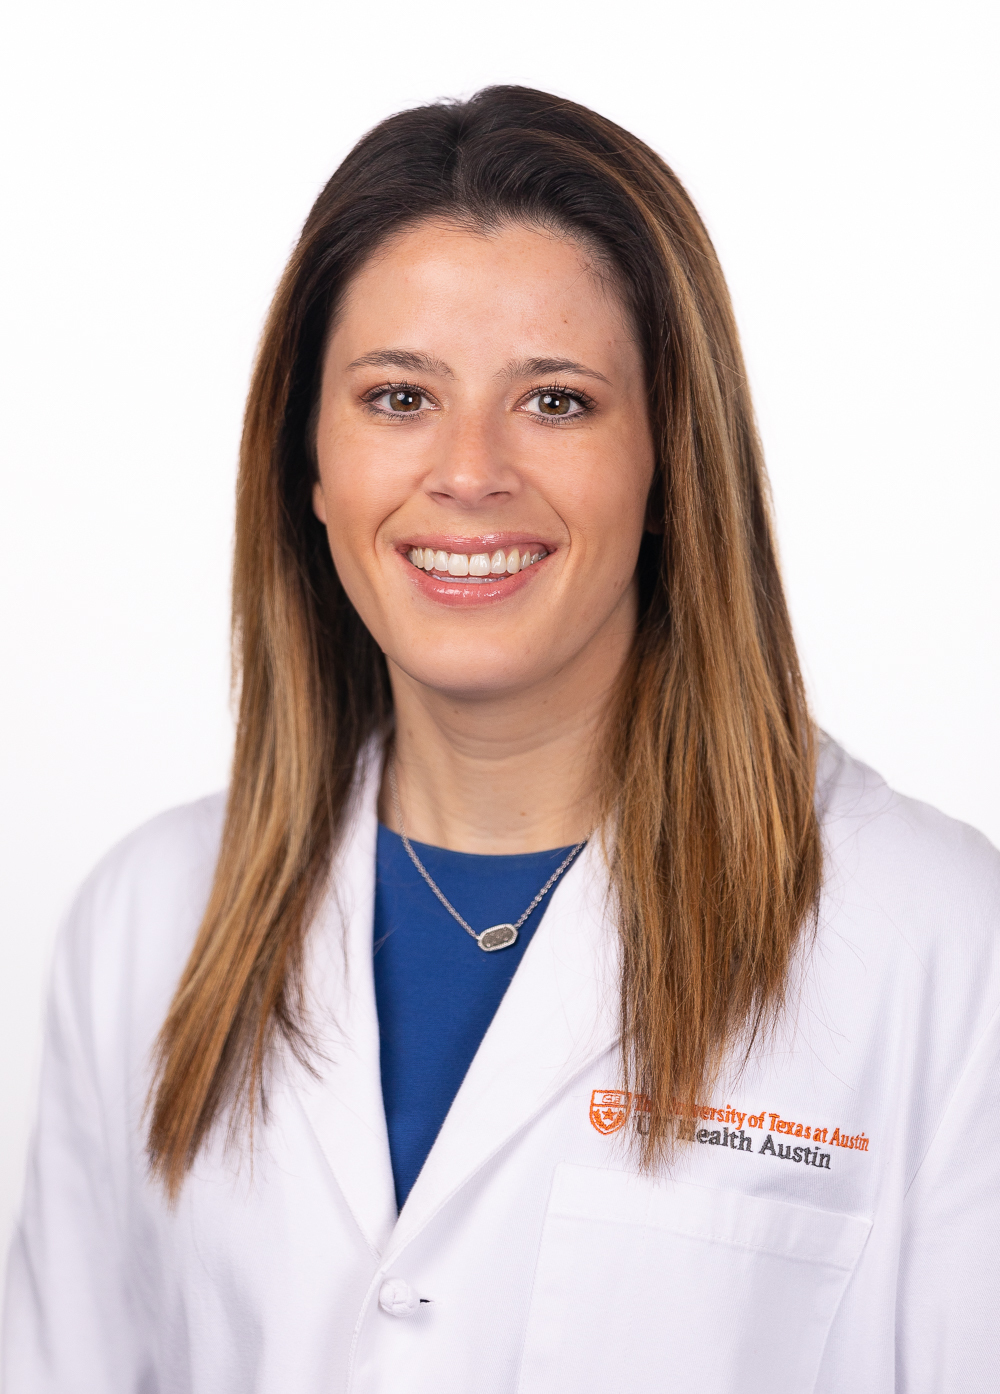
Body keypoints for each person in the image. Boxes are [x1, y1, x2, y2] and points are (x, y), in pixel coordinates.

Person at [4, 85, 998, 1394]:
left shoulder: (940, 940)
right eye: (399, 396)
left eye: (558, 402)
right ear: (309, 460)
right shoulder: (147, 920)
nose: (469, 471)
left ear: (670, 462)